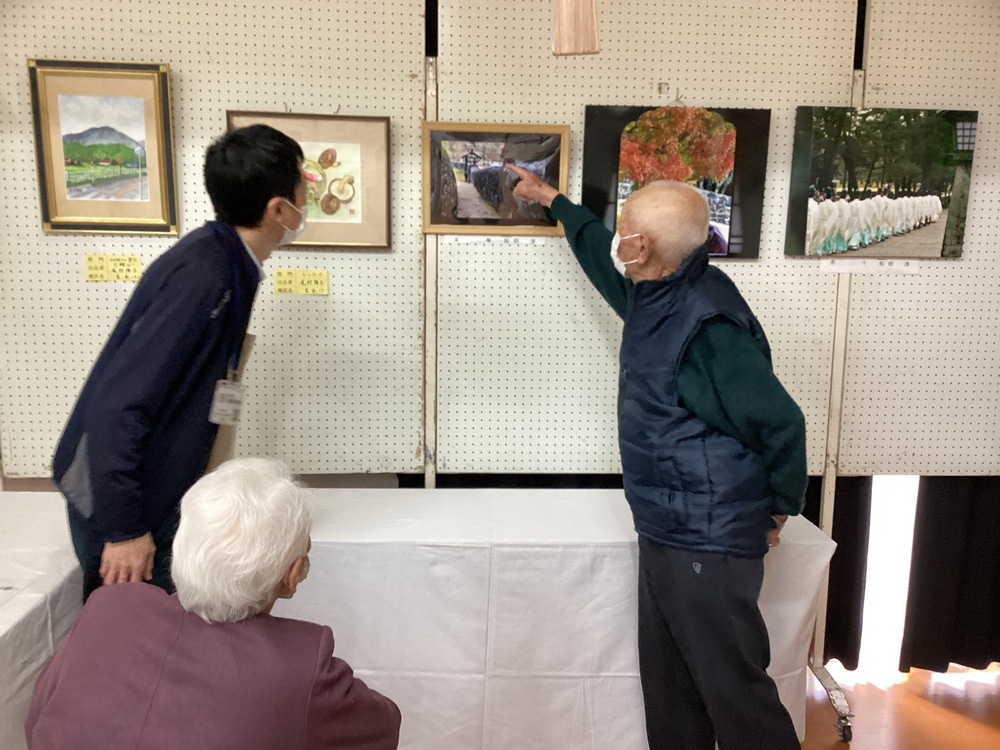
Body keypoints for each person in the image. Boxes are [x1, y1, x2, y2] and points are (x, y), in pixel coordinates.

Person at [506, 165, 807, 750]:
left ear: (641, 245)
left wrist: (775, 510)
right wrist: (554, 201)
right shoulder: (656, 292)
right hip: (667, 527)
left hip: (710, 540)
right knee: (671, 691)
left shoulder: (708, 323)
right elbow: (599, 257)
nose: (617, 240)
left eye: (624, 231)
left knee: (735, 696)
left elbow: (781, 422)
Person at [52, 125, 308, 601]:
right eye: (302, 191)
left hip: (158, 491)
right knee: (134, 644)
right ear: (278, 209)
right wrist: (125, 530)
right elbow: (118, 405)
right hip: (121, 501)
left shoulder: (229, 262)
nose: (305, 204)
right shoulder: (205, 274)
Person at [25, 458, 402, 750]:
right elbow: (382, 729)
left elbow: (38, 719)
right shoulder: (302, 666)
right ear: (293, 575)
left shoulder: (108, 606)